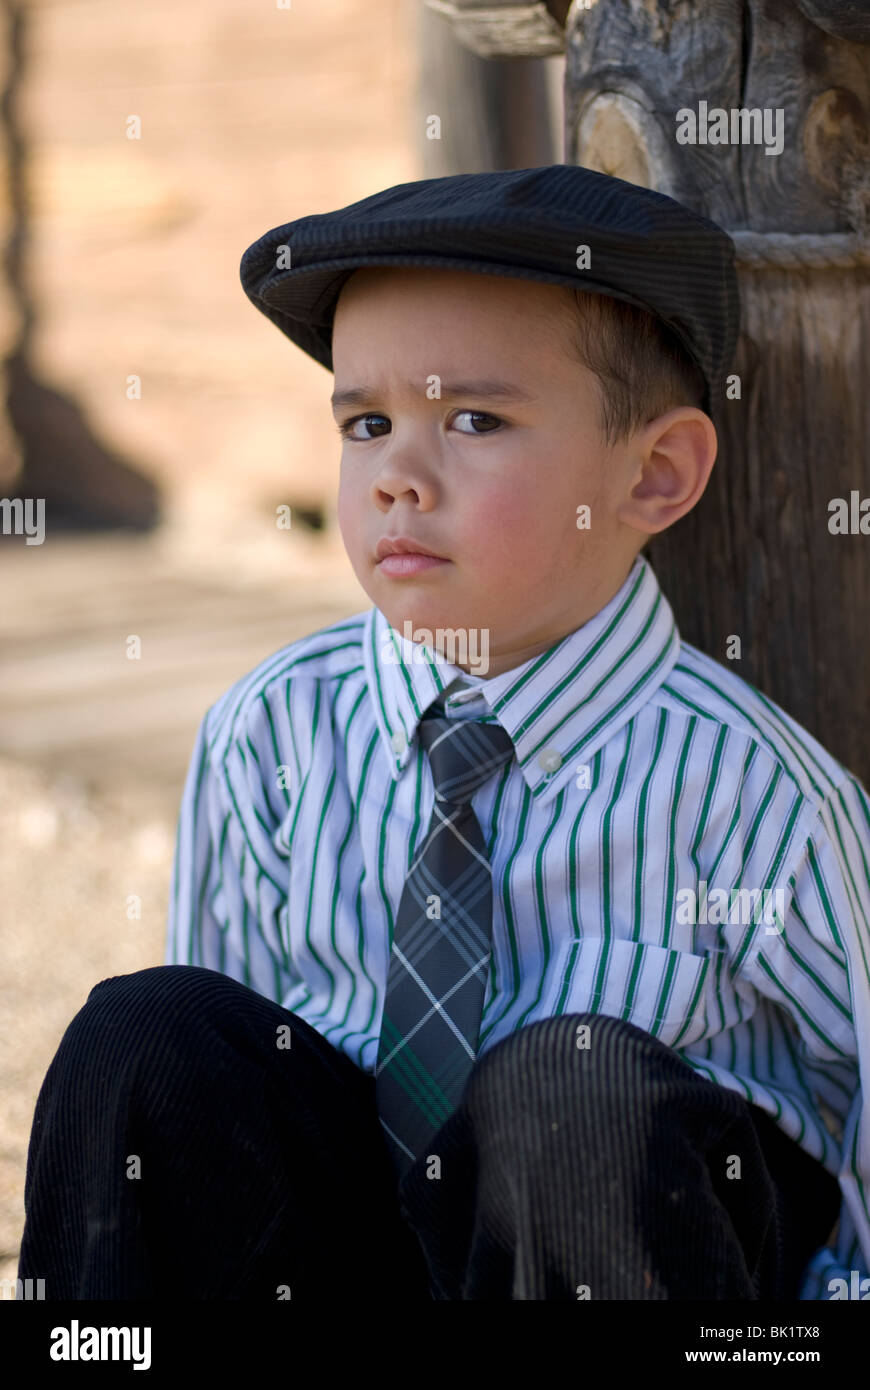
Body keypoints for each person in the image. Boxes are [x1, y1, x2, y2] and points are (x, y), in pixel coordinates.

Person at [18, 165, 869, 1301]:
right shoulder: (274, 733)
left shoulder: (755, 797)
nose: (398, 480)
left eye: (474, 419)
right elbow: (219, 1096)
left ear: (655, 474)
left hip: (616, 1257)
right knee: (149, 1035)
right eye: (367, 422)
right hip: (342, 1262)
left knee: (569, 1091)